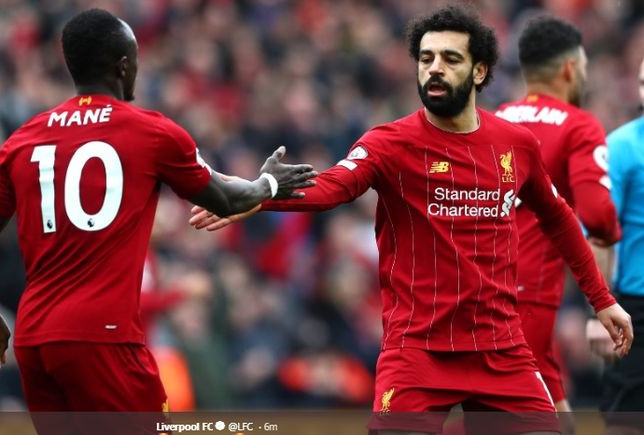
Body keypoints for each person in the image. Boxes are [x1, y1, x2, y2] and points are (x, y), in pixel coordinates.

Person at [190, 6, 632, 434]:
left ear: (480, 72)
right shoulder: (390, 143)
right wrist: (258, 194)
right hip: (419, 352)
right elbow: (332, 187)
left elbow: (558, 217)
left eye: (450, 59)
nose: (434, 68)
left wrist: (601, 299)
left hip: (501, 351)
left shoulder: (515, 144)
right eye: (426, 59)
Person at [0, 8, 315, 434]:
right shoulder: (151, 133)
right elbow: (226, 199)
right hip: (104, 340)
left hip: (35, 341)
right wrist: (269, 184)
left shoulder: (23, 139)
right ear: (124, 64)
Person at [494, 16, 621, 420]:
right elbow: (598, 216)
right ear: (570, 69)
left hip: (478, 286)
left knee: (555, 421)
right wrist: (601, 303)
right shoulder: (580, 125)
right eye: (583, 67)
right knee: (507, 423)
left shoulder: (493, 120)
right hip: (527, 296)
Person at [587, 56, 644, 434]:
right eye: (642, 83)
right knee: (625, 420)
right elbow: (598, 235)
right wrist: (600, 311)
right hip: (637, 308)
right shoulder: (622, 148)